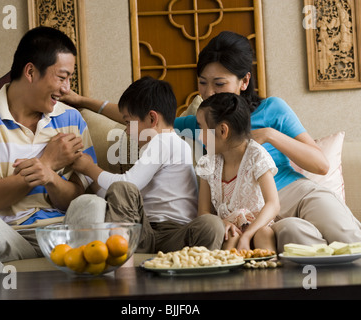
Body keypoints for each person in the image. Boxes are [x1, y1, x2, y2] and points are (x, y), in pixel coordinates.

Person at [62, 31, 361, 252]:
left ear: (244, 82)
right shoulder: (199, 125)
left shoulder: (274, 109)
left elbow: (320, 165)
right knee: (299, 239)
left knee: (346, 235)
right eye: (203, 83)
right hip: (252, 215)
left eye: (219, 84)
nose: (209, 93)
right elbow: (142, 117)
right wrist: (82, 100)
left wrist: (269, 135)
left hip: (294, 191)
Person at [0, 26, 97, 288]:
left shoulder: (71, 119)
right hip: (10, 237)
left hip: (64, 233)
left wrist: (51, 179)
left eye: (70, 79)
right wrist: (47, 162)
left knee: (92, 205)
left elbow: (82, 197)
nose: (66, 88)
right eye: (62, 77)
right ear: (31, 72)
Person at [68, 76, 225, 253]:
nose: (126, 131)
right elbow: (122, 196)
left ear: (152, 118)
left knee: (211, 224)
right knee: (122, 190)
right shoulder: (153, 147)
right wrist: (88, 176)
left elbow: (128, 184)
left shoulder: (165, 141)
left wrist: (90, 168)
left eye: (128, 122)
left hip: (175, 233)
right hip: (146, 230)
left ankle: (122, 258)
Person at [195, 92, 279, 251]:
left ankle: (268, 270)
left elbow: (273, 204)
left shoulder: (256, 156)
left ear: (222, 131)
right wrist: (223, 223)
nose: (199, 136)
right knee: (231, 238)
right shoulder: (207, 163)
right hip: (229, 229)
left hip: (257, 225)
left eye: (202, 129)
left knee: (264, 234)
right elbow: (203, 212)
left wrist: (248, 234)